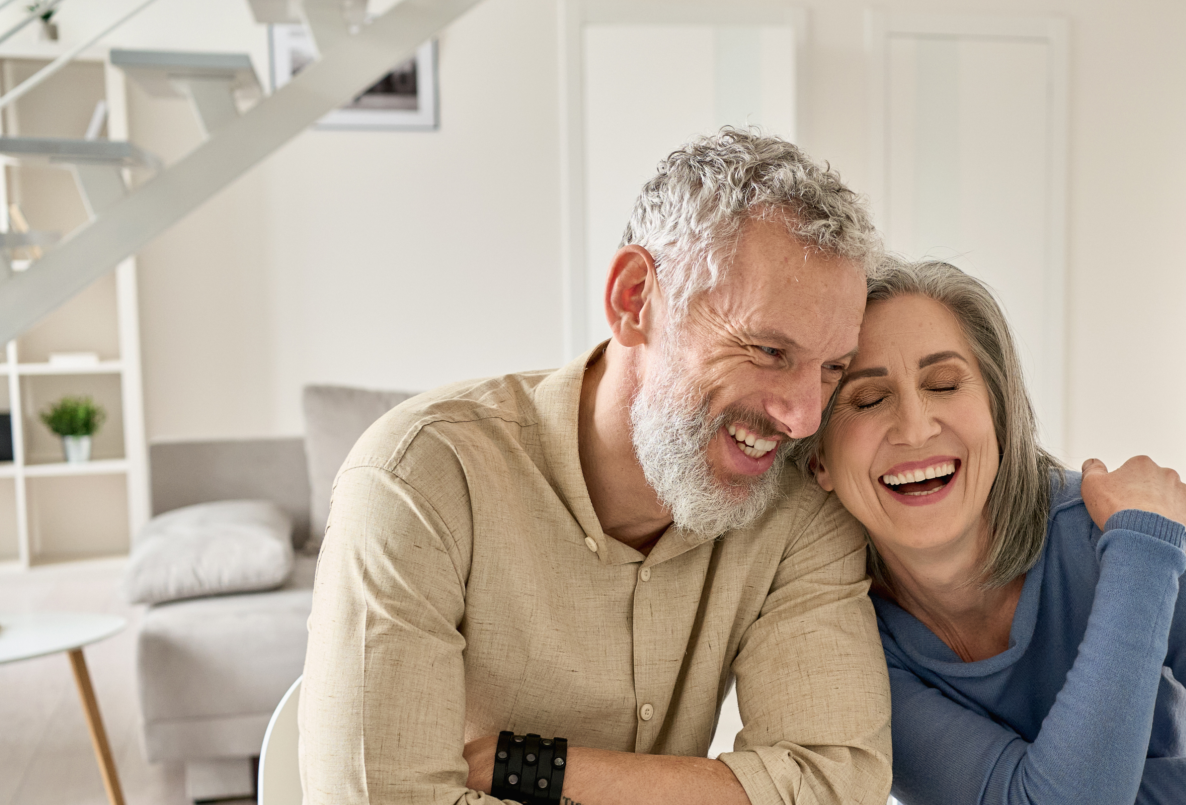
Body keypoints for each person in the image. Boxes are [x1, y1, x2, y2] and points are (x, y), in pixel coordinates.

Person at [299, 129, 894, 805]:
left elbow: (833, 782)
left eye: (832, 368)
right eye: (767, 350)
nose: (803, 418)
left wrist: (530, 766)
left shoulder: (800, 514)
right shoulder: (421, 476)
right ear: (635, 298)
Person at [797, 260, 1186, 805]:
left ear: (1000, 415)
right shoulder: (842, 637)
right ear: (819, 458)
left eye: (944, 384)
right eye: (869, 399)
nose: (915, 425)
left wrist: (1144, 553)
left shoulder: (1128, 536)